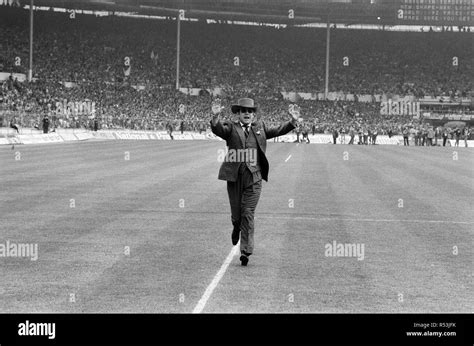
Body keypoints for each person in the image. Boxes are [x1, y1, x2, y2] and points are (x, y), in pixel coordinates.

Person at [210, 97, 298, 266]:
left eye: (250, 111)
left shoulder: (261, 128)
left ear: (254, 114)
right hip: (235, 177)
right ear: (238, 113)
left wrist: (292, 121)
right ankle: (236, 226)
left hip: (254, 177)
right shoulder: (231, 127)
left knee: (248, 212)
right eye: (244, 111)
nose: (247, 114)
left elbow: (279, 130)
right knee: (237, 215)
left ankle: (246, 251)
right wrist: (215, 118)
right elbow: (219, 129)